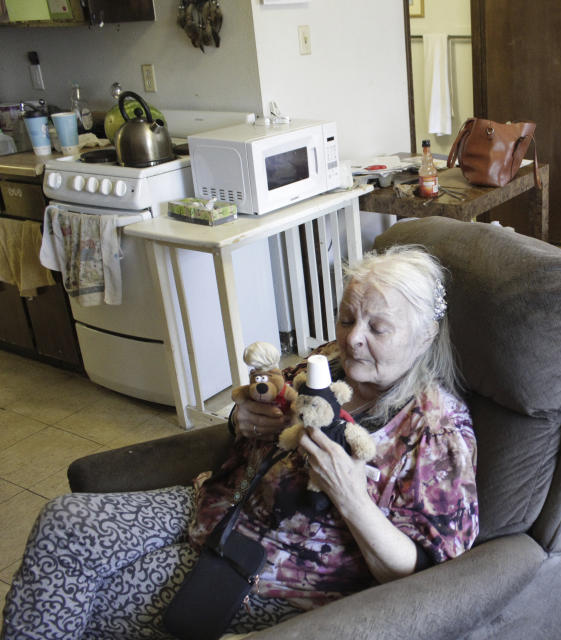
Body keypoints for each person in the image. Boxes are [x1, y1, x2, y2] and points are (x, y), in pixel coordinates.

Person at [1, 245, 479, 639]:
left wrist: (350, 495)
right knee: (64, 519)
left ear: (424, 336)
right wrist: (241, 419)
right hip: (221, 501)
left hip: (272, 564)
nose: (353, 339)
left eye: (378, 328)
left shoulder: (437, 431)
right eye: (347, 318)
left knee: (96, 597)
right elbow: (269, 398)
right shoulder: (330, 364)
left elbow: (428, 575)